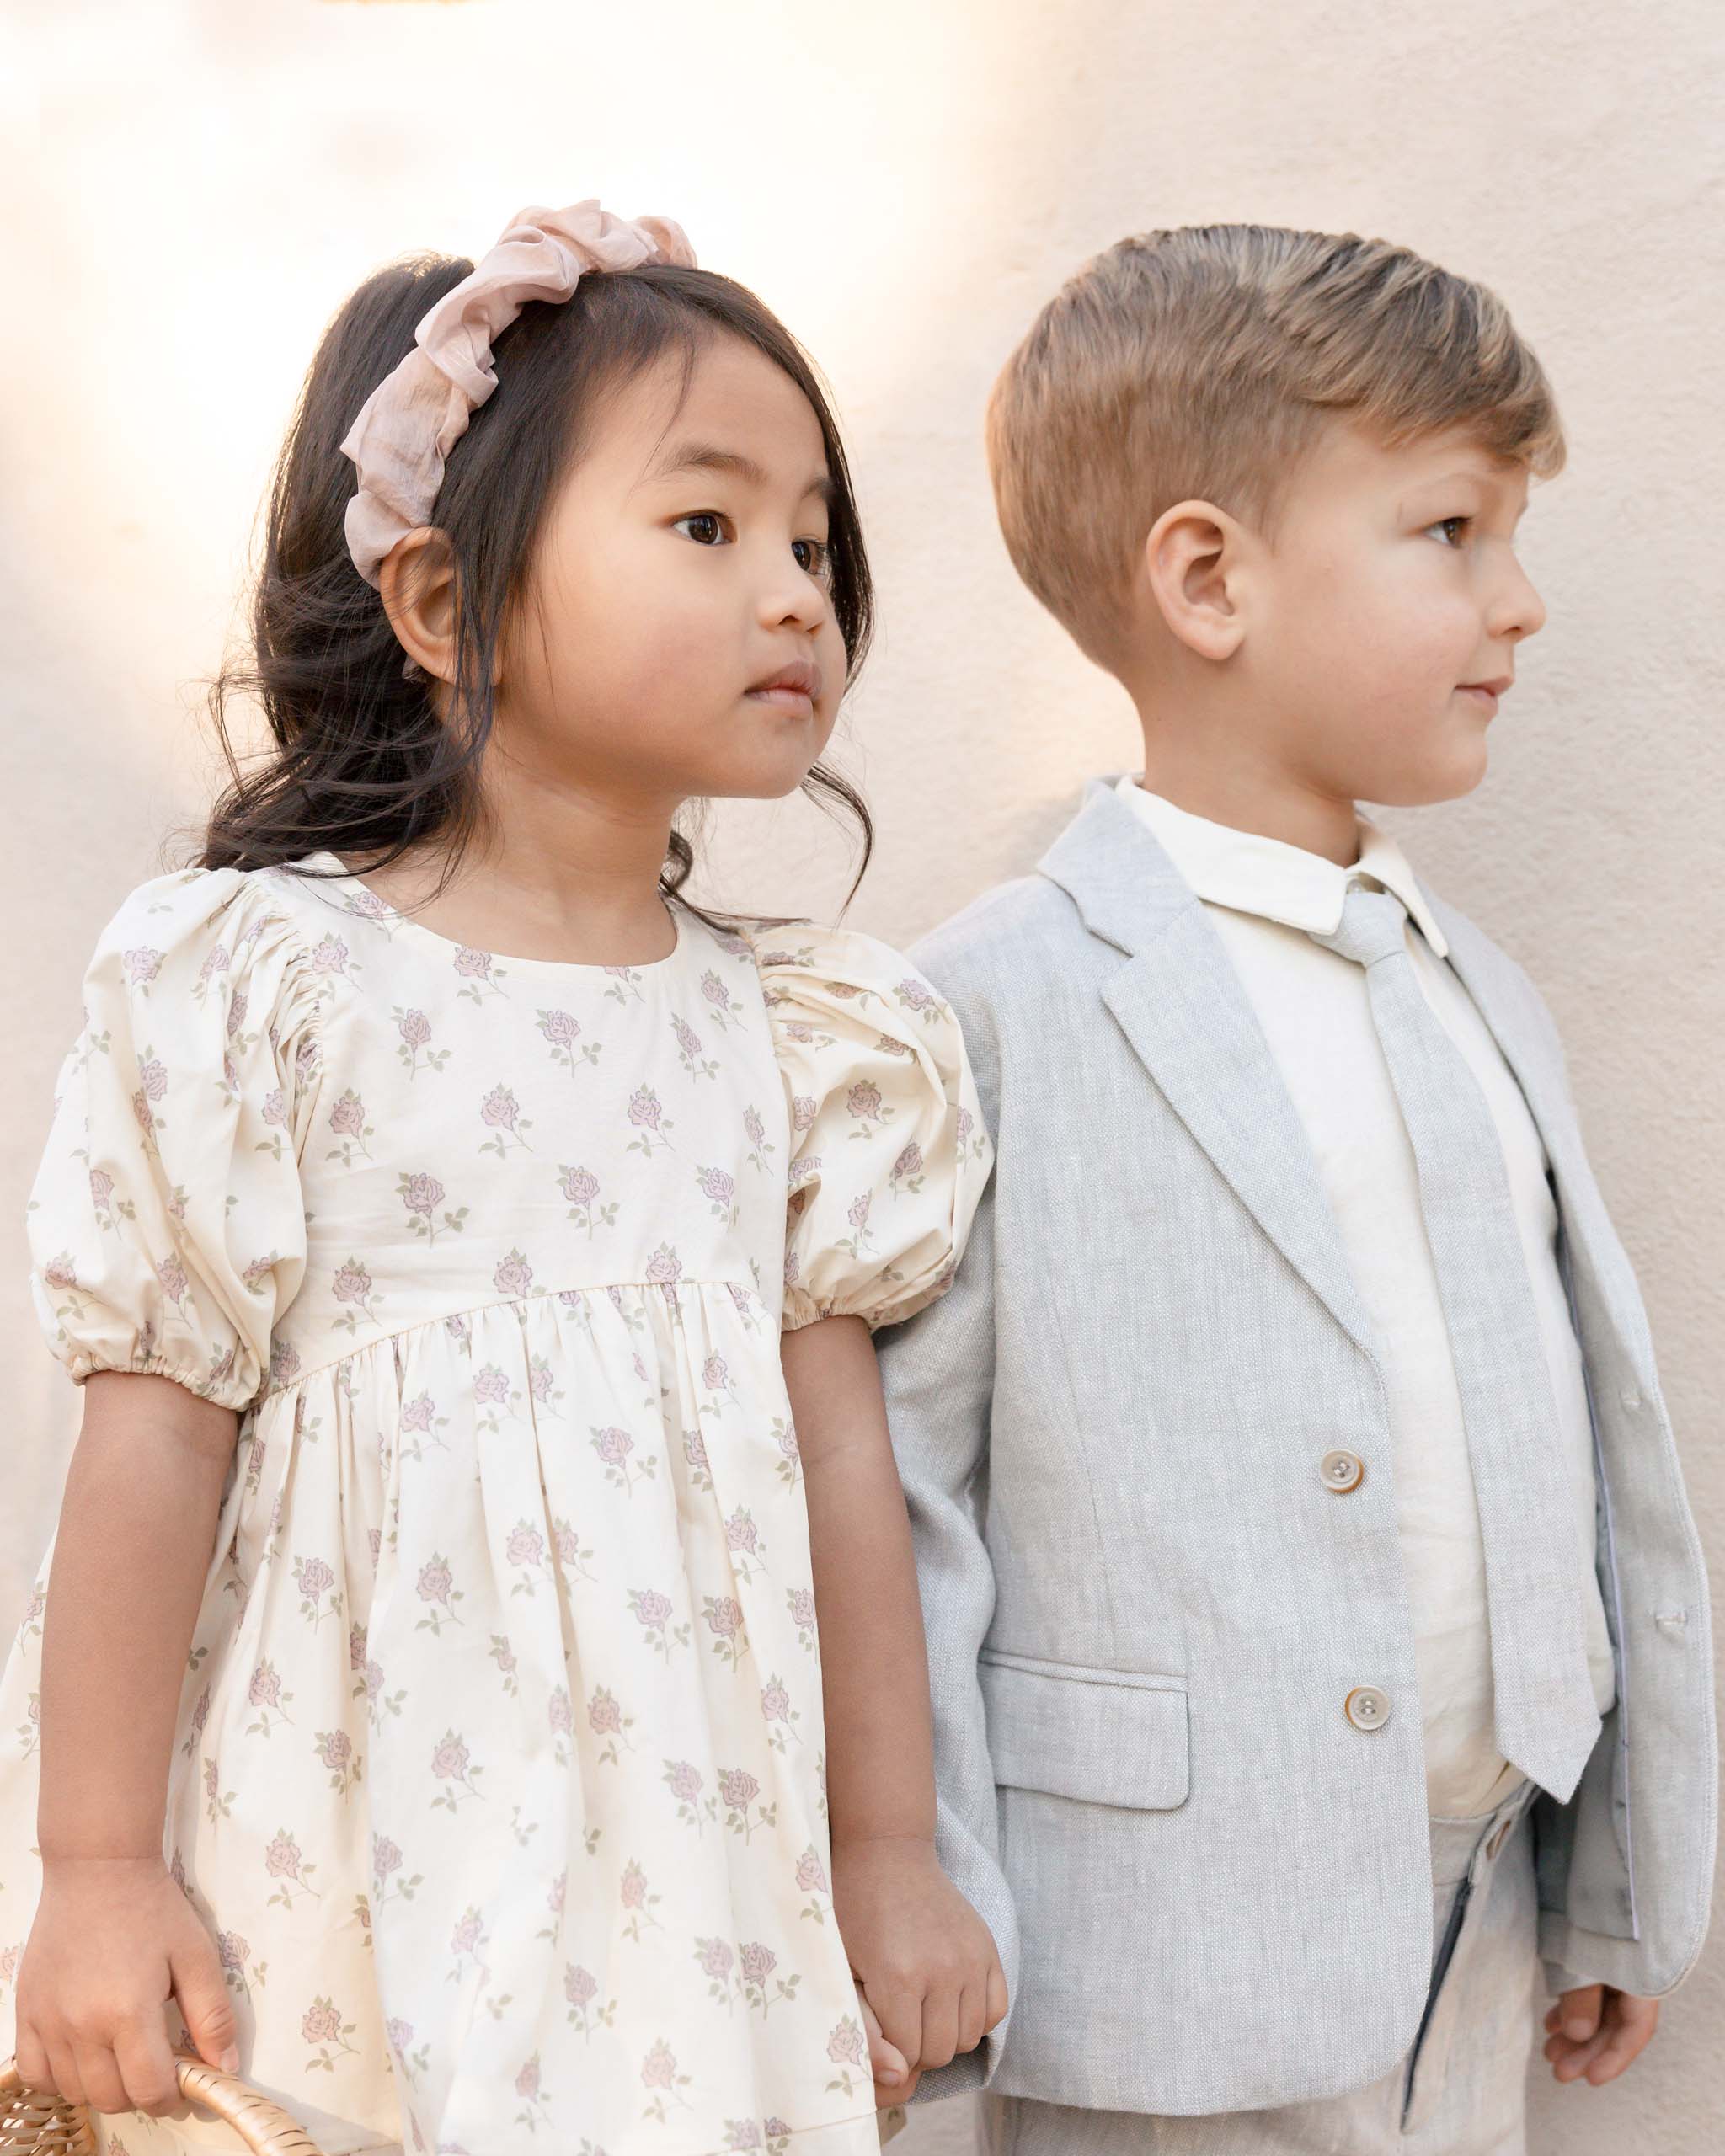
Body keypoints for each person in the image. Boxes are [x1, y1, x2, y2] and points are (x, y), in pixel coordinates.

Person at [0, 200, 1002, 2156]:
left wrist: (889, 1849)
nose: (792, 594)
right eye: (707, 524)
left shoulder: (800, 1039)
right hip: (343, 1857)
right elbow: (154, 1433)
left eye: (812, 542)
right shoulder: (270, 983)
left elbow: (840, 1468)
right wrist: (94, 1865)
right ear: (446, 606)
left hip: (691, 1893)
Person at [873, 226, 1716, 2152]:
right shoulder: (987, 1004)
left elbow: (1582, 1441)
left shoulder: (1471, 983)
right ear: (1206, 579)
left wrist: (1609, 1868)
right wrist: (918, 1875)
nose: (1518, 603)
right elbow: (907, 1504)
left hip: (1474, 1923)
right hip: (1154, 1957)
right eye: (1451, 532)